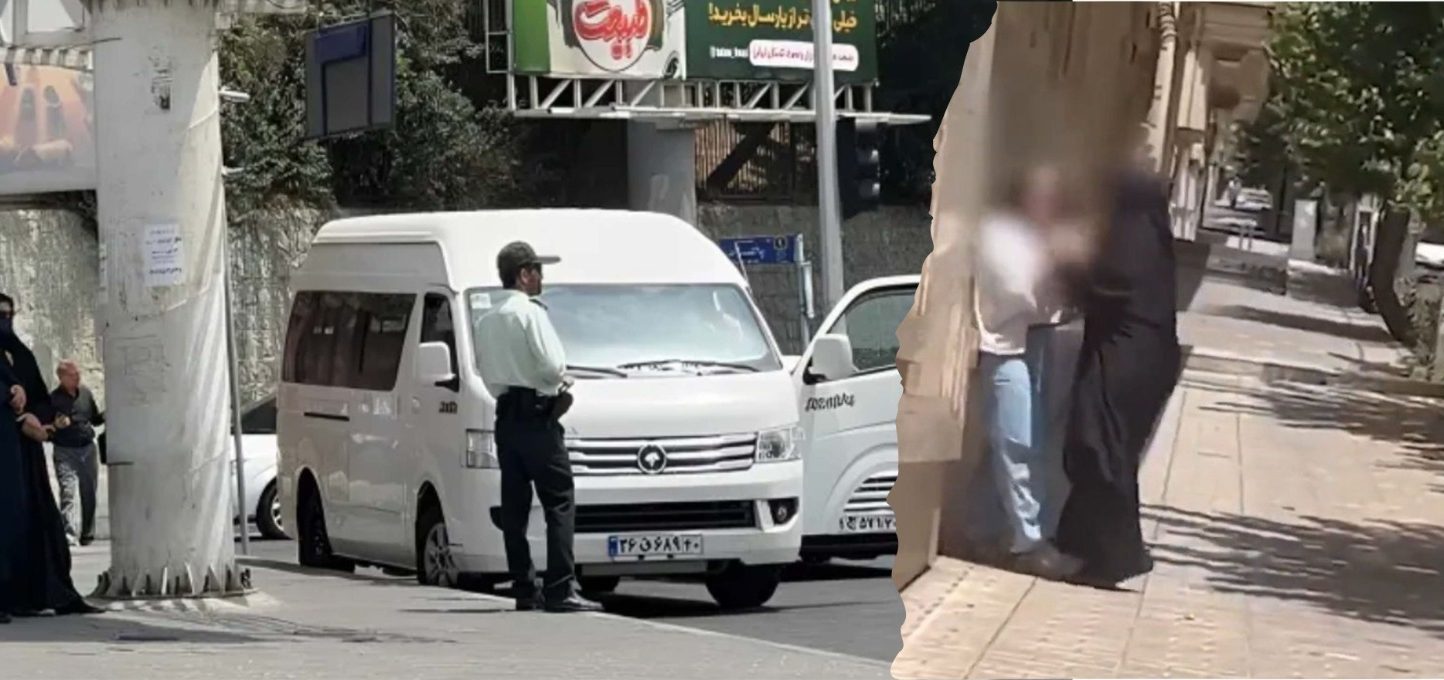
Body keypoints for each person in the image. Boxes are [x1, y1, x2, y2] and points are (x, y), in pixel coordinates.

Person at [1053, 133, 1182, 589]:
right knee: (1098, 447)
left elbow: (1111, 283)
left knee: (1100, 448)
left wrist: (1067, 266)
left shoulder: (1133, 233)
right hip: (1132, 356)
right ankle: (1085, 548)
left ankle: (1118, 556)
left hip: (1130, 360)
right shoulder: (1143, 225)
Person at [473, 242, 601, 614]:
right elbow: (551, 366)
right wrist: (558, 383)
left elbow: (486, 373)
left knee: (515, 505)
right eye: (537, 271)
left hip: (506, 415)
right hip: (537, 416)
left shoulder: (487, 319)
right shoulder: (530, 314)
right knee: (559, 500)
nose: (541, 278)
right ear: (523, 275)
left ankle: (524, 587)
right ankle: (561, 588)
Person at [968, 165, 1082, 580]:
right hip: (1003, 346)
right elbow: (1021, 291)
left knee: (1011, 442)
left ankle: (982, 531)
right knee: (1018, 442)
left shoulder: (1035, 235)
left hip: (1035, 339)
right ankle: (1029, 542)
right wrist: (1058, 263)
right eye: (1043, 195)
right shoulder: (1001, 234)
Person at [0, 293, 101, 616]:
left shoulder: (20, 354)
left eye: (9, 313)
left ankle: (53, 593)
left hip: (26, 456)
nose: (5, 320)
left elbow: (40, 398)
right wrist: (16, 410)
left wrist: (41, 421)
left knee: (41, 522)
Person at [51, 360, 105, 547]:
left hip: (87, 448)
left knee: (89, 492)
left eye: (78, 374)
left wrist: (106, 415)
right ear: (62, 378)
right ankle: (69, 535)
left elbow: (95, 419)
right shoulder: (54, 399)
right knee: (68, 492)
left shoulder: (86, 393)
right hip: (65, 451)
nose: (78, 378)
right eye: (73, 375)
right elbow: (47, 428)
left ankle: (88, 535)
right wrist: (57, 425)